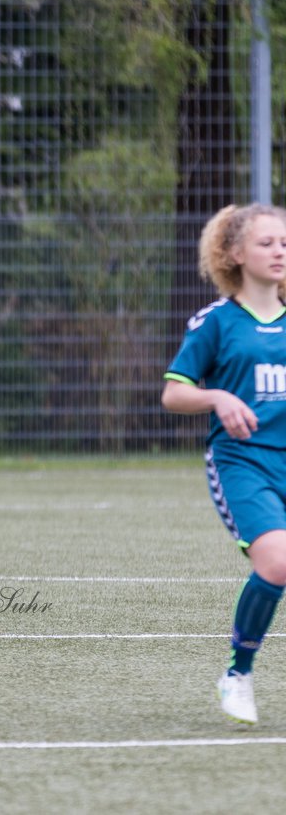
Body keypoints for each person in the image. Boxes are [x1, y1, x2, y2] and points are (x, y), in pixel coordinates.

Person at [162, 203, 286, 725]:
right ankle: (238, 673)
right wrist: (217, 398)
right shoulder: (216, 323)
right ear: (235, 254)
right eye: (266, 243)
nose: (279, 251)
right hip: (243, 463)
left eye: (284, 242)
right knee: (277, 563)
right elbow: (173, 395)